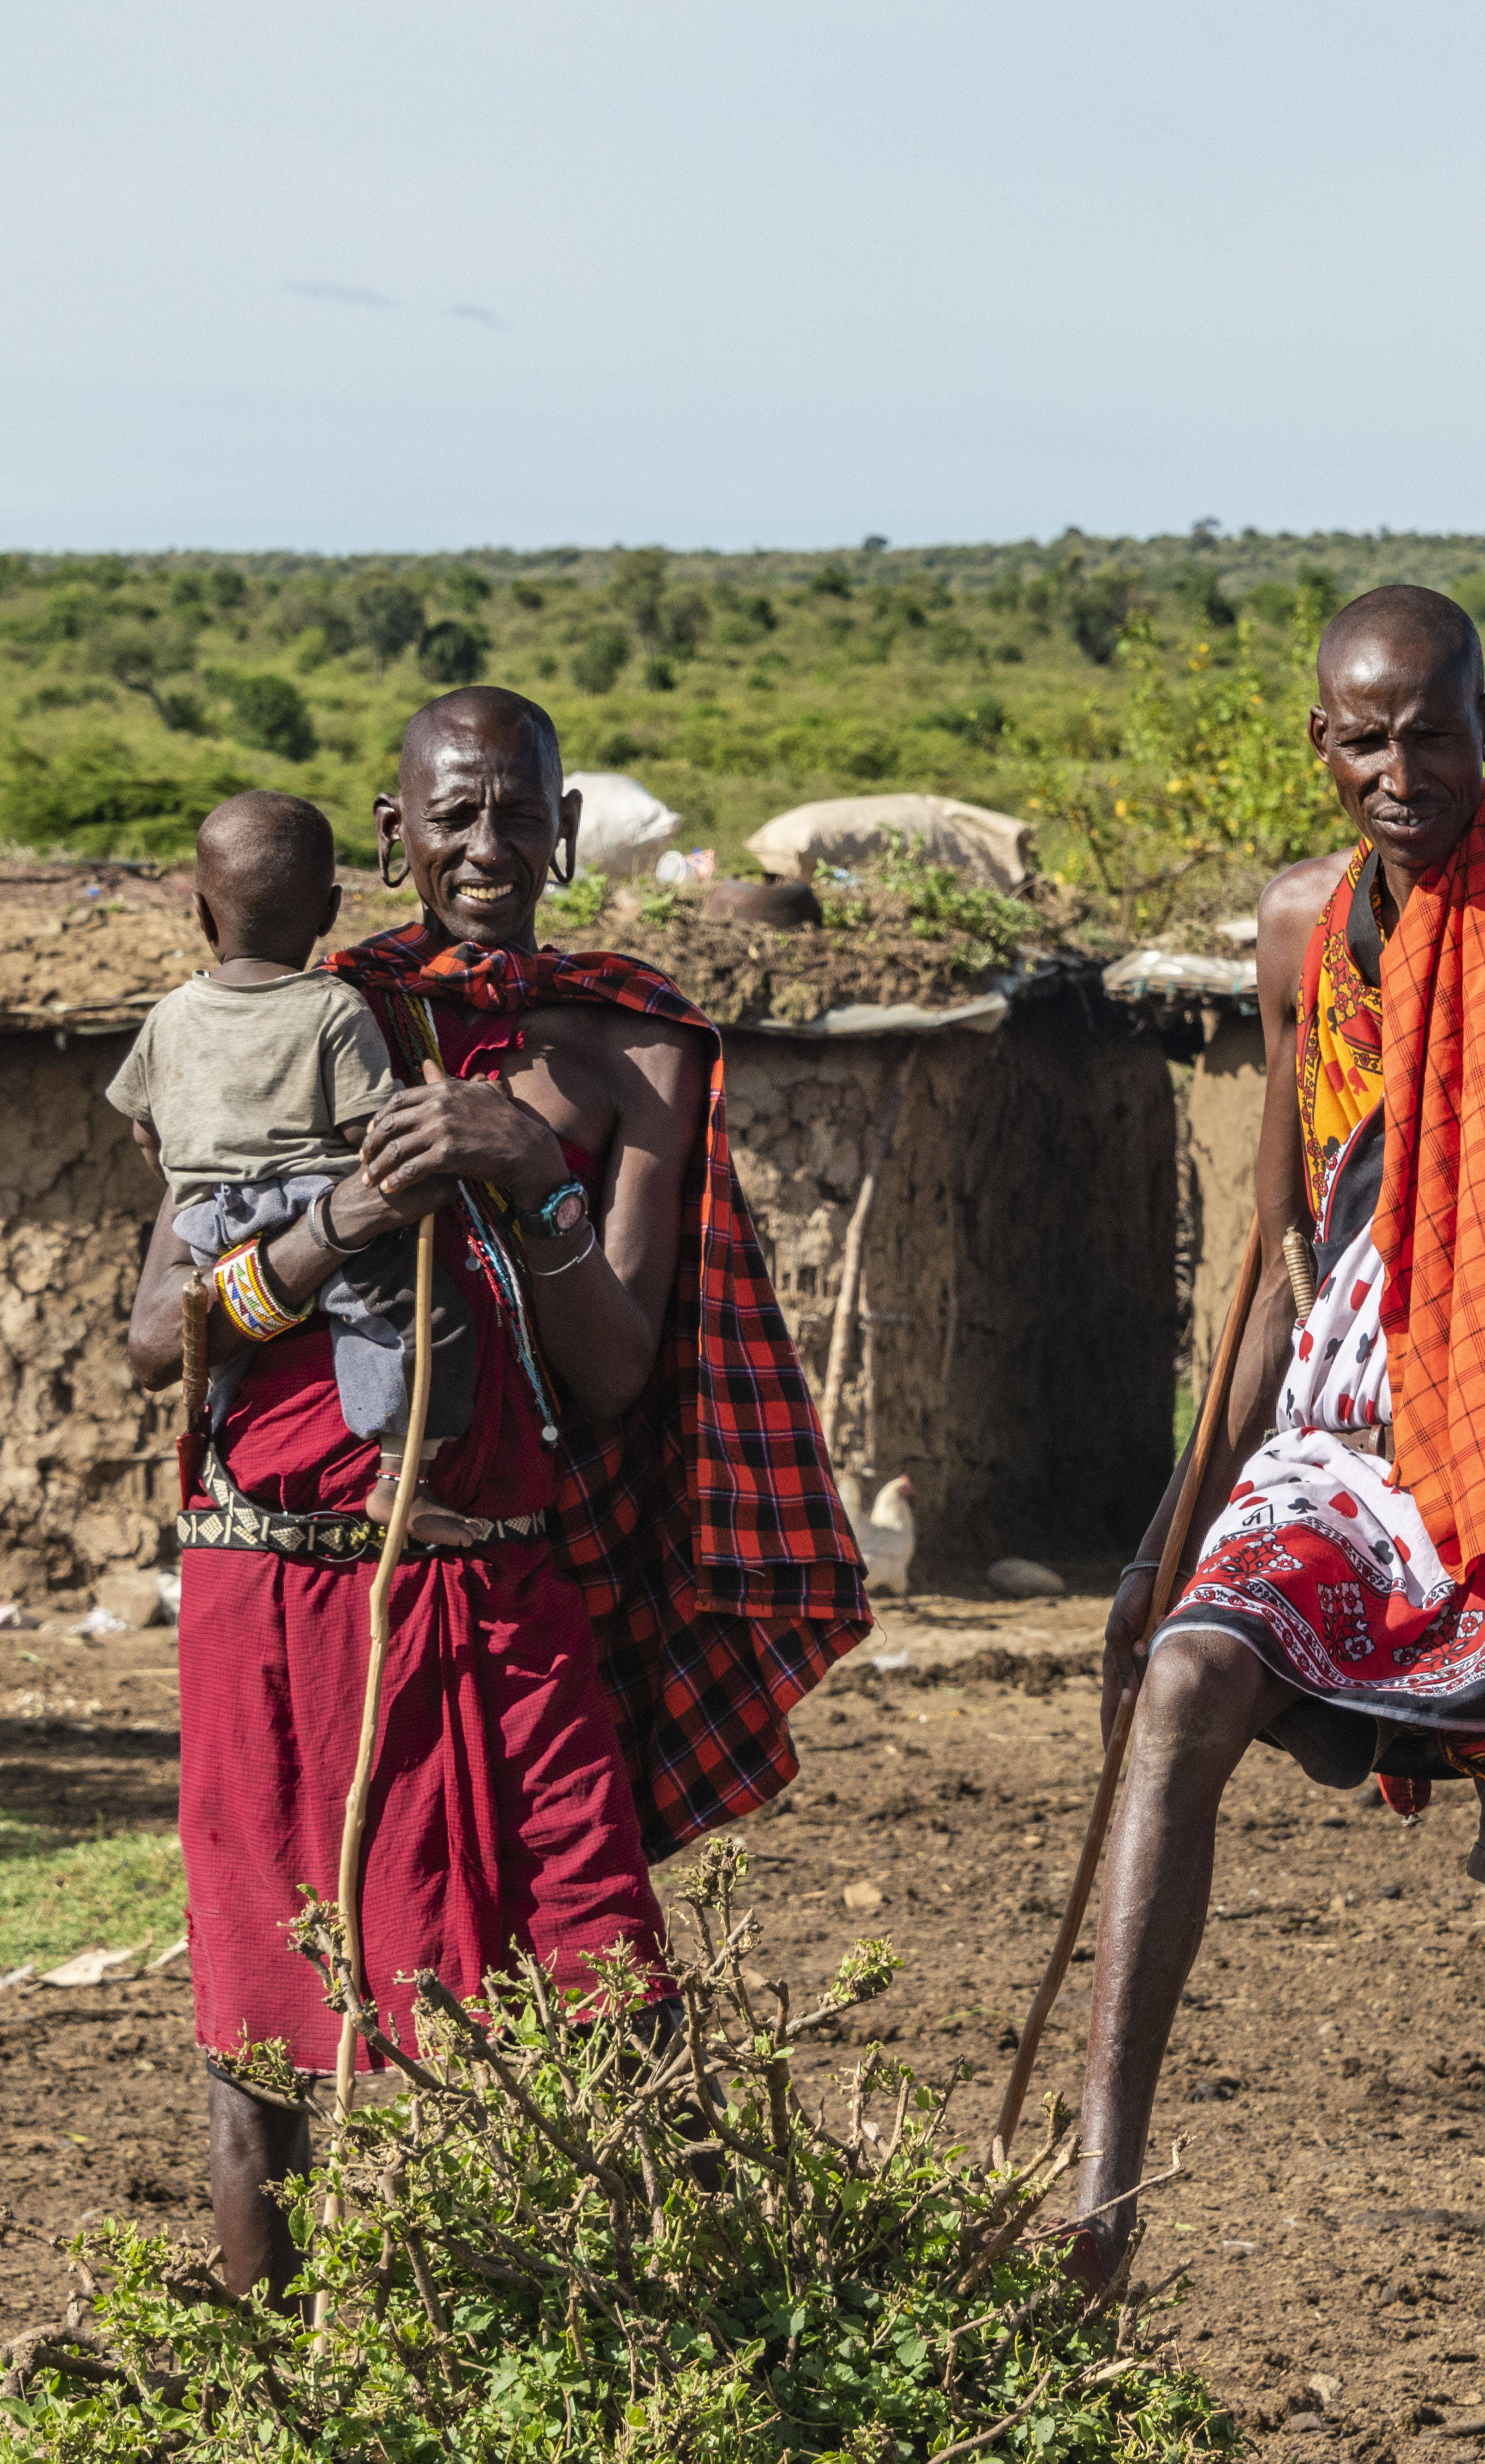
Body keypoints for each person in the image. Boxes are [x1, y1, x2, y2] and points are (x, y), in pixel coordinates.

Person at [126, 686, 870, 2298]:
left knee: (608, 1965)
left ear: (566, 828)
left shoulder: (640, 1049)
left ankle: (676, 2357)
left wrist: (528, 1179)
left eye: (515, 811)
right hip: (282, 1569)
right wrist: (339, 1218)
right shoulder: (285, 1021)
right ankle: (272, 2379)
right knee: (266, 1995)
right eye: (451, 815)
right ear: (393, 835)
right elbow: (156, 1336)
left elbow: (611, 1372)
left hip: (510, 1577)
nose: (485, 846)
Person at [1076, 587, 1485, 2464]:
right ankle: (1097, 2208)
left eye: (1433, 733)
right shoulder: (1305, 928)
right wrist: (1169, 1525)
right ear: (1317, 739)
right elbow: (1274, 1256)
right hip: (1355, 1397)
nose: (1400, 774)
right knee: (1181, 1680)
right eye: (1359, 739)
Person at [108, 790, 477, 1547]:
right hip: (313, 1203)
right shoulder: (335, 1008)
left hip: (208, 1217)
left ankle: (227, 1458)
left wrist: (194, 1185)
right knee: (412, 1320)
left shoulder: (170, 1016)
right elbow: (366, 1132)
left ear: (203, 916)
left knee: (218, 1342)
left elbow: (148, 1133)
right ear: (330, 910)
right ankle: (400, 1477)